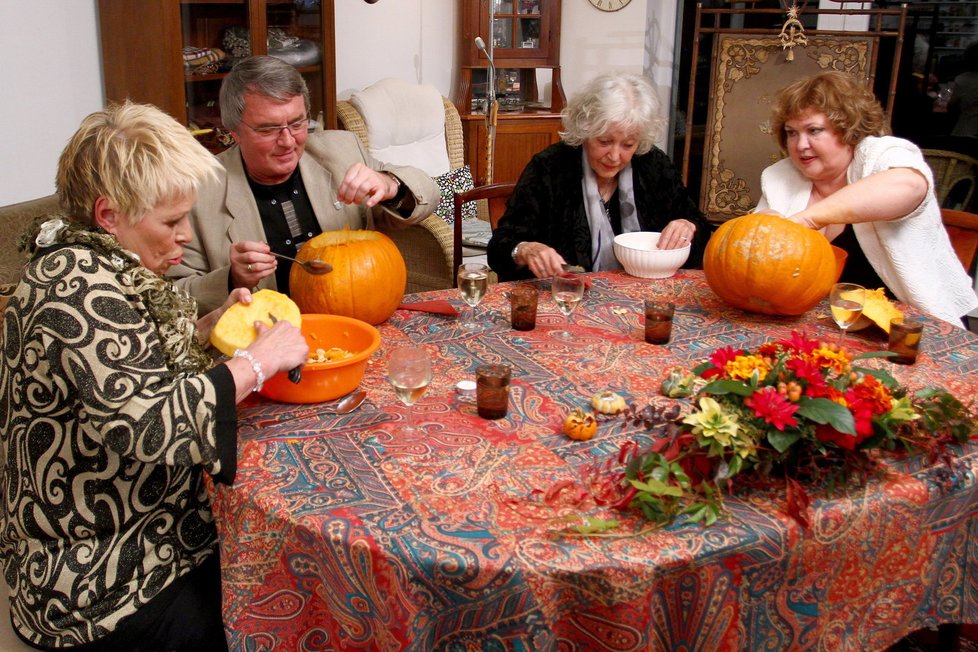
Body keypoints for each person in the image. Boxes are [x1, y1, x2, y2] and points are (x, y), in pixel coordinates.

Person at [0, 102, 309, 650]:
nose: (186, 236)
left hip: (139, 527)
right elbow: (147, 425)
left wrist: (211, 327)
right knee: (285, 597)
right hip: (100, 575)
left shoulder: (104, 264)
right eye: (171, 222)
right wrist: (255, 362)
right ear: (108, 214)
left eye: (298, 121)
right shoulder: (76, 285)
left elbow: (129, 365)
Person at [168, 56, 439, 314]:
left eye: (297, 123)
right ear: (233, 131)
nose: (288, 141)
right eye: (268, 129)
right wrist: (232, 279)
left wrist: (389, 184)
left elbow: (428, 193)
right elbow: (172, 297)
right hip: (263, 340)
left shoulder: (341, 150)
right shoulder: (196, 192)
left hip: (352, 322)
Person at [756, 70, 977, 326]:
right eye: (791, 133)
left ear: (848, 129)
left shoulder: (880, 155)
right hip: (828, 324)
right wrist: (765, 224)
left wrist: (807, 219)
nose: (801, 144)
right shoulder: (780, 176)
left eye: (814, 130)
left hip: (911, 324)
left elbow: (911, 186)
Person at [486, 71, 711, 281]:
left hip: (643, 296)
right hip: (568, 299)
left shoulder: (654, 166)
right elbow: (500, 246)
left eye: (628, 145)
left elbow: (699, 226)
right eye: (604, 142)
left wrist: (687, 226)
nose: (614, 156)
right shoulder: (550, 168)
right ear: (585, 131)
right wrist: (524, 250)